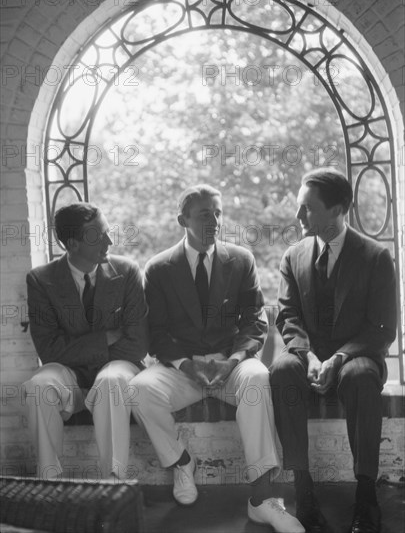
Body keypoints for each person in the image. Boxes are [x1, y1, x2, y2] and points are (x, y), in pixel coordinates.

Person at [129, 184, 305, 533]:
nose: (215, 221)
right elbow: (157, 331)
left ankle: (261, 499)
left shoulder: (240, 260)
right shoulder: (159, 268)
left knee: (257, 379)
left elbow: (255, 319)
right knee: (138, 390)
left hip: (231, 364)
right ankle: (182, 462)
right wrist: (186, 365)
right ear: (183, 219)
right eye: (204, 214)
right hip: (182, 368)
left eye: (218, 213)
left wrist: (234, 358)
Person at [270, 168, 397, 533]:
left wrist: (339, 357)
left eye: (307, 208)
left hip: (354, 357)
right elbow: (288, 316)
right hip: (307, 356)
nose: (298, 217)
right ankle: (303, 487)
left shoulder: (375, 258)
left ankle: (366, 495)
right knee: (281, 370)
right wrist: (308, 357)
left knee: (361, 376)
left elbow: (382, 327)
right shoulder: (293, 256)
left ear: (338, 209)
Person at [23, 203, 149, 480]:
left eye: (106, 232)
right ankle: (49, 482)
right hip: (71, 375)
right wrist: (106, 336)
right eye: (98, 236)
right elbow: (49, 350)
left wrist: (77, 346)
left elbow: (137, 345)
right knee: (39, 386)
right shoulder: (41, 280)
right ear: (73, 244)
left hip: (118, 366)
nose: (109, 241)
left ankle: (114, 482)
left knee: (111, 382)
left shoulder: (127, 272)